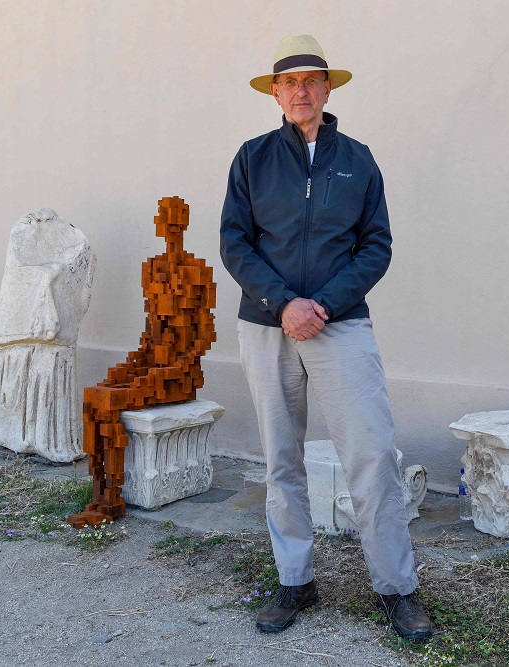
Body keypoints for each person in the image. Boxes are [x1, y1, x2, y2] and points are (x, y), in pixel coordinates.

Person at [219, 34, 434, 640]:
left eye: (311, 80)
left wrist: (325, 305)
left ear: (328, 89)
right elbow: (235, 241)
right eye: (289, 82)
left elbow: (376, 246)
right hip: (268, 325)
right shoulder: (253, 158)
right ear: (275, 93)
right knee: (281, 459)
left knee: (371, 455)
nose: (301, 91)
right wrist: (284, 303)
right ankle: (296, 581)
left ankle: (397, 588)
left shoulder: (358, 160)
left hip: (341, 325)